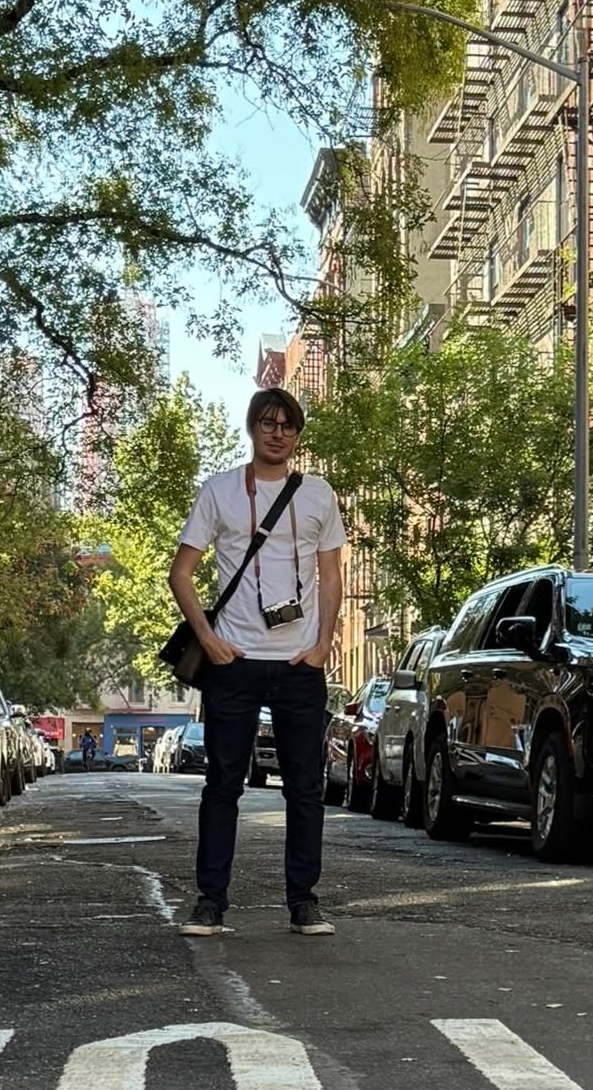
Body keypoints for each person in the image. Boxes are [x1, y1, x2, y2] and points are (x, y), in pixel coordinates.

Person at [169, 386, 346, 938]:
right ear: (252, 428)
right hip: (235, 661)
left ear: (298, 434)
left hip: (298, 663)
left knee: (305, 788)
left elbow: (333, 575)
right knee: (223, 784)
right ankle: (209, 903)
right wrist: (210, 639)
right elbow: (182, 574)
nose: (278, 433)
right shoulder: (220, 491)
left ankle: (304, 902)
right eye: (268, 423)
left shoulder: (318, 495)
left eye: (288, 425)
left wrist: (323, 644)